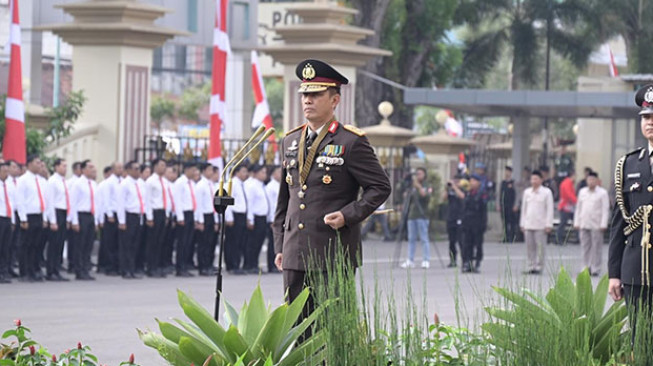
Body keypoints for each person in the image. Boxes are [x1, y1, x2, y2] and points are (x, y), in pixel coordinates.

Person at [273, 59, 391, 306]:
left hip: (332, 251)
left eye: (315, 94)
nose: (307, 100)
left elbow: (380, 186)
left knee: (332, 330)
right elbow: (285, 199)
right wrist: (280, 245)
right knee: (296, 331)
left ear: (335, 100)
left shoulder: (351, 142)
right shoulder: (290, 141)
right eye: (305, 94)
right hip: (295, 252)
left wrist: (348, 215)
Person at [609, 84, 653, 337]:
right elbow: (619, 224)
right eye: (646, 117)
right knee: (640, 338)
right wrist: (614, 274)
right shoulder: (627, 164)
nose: (650, 122)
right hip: (635, 270)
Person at [16, 155, 48, 282]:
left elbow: (45, 201)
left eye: (40, 162)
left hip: (39, 215)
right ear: (29, 164)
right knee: (25, 245)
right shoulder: (23, 180)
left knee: (36, 244)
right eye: (37, 162)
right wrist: (23, 219)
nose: (39, 165)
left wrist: (45, 217)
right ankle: (24, 272)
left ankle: (34, 269)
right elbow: (20, 200)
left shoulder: (41, 181)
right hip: (28, 216)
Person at [69, 160, 100, 280]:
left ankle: (86, 269)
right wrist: (75, 221)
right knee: (80, 245)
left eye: (93, 167)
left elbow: (96, 203)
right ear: (83, 170)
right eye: (90, 167)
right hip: (81, 215)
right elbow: (73, 203)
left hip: (90, 215)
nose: (92, 169)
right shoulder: (78, 184)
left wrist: (96, 220)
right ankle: (79, 270)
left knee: (88, 245)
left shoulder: (93, 184)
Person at [574, 171, 609, 276]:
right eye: (589, 179)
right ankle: (585, 266)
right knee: (585, 247)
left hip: (596, 224)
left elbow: (605, 209)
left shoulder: (602, 193)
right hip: (584, 222)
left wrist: (604, 223)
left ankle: (595, 268)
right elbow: (578, 208)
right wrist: (577, 222)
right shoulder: (582, 192)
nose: (591, 182)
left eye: (593, 180)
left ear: (597, 181)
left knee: (596, 247)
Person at [520, 170, 554, 275]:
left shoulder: (546, 192)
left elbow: (549, 209)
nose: (534, 181)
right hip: (529, 223)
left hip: (541, 225)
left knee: (540, 247)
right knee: (529, 247)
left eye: (536, 179)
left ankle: (539, 266)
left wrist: (549, 224)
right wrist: (522, 223)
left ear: (541, 180)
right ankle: (531, 265)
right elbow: (524, 209)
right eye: (532, 179)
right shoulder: (527, 192)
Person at [117, 161, 146, 279]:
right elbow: (120, 203)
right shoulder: (124, 184)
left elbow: (144, 200)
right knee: (126, 245)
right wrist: (122, 221)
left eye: (139, 169)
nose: (138, 171)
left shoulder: (141, 183)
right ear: (128, 170)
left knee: (135, 244)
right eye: (135, 169)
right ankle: (125, 270)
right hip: (129, 215)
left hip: (138, 215)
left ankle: (132, 268)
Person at [400, 167, 433, 269]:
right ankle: (410, 260)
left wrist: (418, 187)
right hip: (412, 215)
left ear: (424, 175)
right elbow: (405, 196)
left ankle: (426, 260)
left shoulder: (427, 185)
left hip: (422, 215)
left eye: (420, 174)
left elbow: (426, 196)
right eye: (417, 174)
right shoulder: (412, 185)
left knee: (424, 238)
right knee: (411, 239)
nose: (418, 176)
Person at [45, 158, 70, 282]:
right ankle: (50, 271)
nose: (65, 168)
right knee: (54, 244)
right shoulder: (52, 181)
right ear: (56, 167)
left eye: (66, 166)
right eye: (63, 166)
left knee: (60, 243)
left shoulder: (64, 181)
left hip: (64, 212)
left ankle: (57, 269)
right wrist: (53, 221)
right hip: (56, 212)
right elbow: (50, 202)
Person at [173, 162, 199, 277]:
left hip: (190, 213)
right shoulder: (180, 183)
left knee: (188, 242)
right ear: (187, 170)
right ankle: (180, 267)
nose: (195, 173)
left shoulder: (192, 183)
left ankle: (185, 266)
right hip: (183, 214)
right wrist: (180, 217)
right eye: (193, 170)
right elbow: (177, 200)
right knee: (182, 242)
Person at [144, 158, 169, 278]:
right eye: (162, 165)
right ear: (155, 166)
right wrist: (149, 217)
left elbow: (167, 199)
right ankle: (151, 267)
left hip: (162, 212)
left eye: (165, 165)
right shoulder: (150, 181)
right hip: (154, 212)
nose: (164, 168)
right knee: (152, 242)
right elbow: (147, 200)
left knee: (161, 241)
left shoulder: (164, 181)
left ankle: (158, 266)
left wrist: (167, 214)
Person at [243, 164, 269, 274]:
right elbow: (250, 203)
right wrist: (250, 219)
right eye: (262, 172)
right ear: (255, 173)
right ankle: (249, 264)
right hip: (255, 217)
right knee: (252, 243)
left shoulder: (260, 185)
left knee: (258, 242)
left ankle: (254, 263)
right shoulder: (251, 185)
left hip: (263, 217)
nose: (264, 175)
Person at [194, 163, 218, 276]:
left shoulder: (211, 185)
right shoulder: (200, 185)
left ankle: (209, 264)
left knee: (210, 242)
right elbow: (198, 204)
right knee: (203, 243)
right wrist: (199, 221)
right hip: (203, 216)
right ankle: (202, 266)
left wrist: (216, 220)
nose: (211, 172)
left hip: (211, 215)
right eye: (209, 170)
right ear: (203, 171)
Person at [225, 164, 249, 274]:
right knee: (233, 242)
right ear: (236, 172)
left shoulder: (241, 184)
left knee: (239, 242)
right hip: (234, 215)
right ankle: (232, 265)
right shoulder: (232, 184)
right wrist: (229, 217)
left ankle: (236, 264)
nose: (246, 174)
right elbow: (227, 201)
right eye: (243, 171)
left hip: (241, 215)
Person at [461, 175, 487, 273]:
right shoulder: (468, 193)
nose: (472, 183)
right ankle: (468, 262)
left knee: (478, 244)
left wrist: (484, 224)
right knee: (467, 244)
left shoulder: (482, 194)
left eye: (474, 181)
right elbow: (464, 208)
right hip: (467, 222)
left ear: (479, 183)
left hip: (478, 222)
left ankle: (477, 262)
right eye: (470, 181)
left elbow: (483, 211)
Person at [442, 174, 465, 267]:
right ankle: (452, 260)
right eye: (454, 181)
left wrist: (455, 187)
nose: (455, 183)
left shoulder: (463, 189)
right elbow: (443, 198)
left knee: (461, 241)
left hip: (460, 217)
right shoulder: (450, 190)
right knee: (452, 241)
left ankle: (465, 260)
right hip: (451, 217)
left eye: (457, 181)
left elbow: (462, 196)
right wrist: (447, 188)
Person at [161, 164, 178, 275]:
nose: (173, 174)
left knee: (170, 242)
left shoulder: (172, 185)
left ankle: (167, 262)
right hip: (164, 214)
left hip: (172, 215)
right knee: (163, 242)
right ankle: (162, 263)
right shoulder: (163, 184)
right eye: (170, 172)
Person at [0, 162, 15, 284]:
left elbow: (12, 203)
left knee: (6, 247)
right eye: (4, 171)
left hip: (7, 218)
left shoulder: (9, 185)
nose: (6, 173)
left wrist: (13, 221)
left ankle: (4, 271)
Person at [265, 165, 281, 273]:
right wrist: (272, 219)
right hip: (273, 218)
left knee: (276, 242)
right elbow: (270, 205)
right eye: (279, 172)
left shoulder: (278, 185)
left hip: (278, 217)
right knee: (272, 243)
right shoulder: (270, 187)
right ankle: (271, 265)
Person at [556, 170, 577, 245]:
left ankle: (561, 239)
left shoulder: (566, 182)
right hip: (566, 206)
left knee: (572, 221)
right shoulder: (568, 183)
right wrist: (576, 201)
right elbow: (569, 194)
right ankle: (559, 239)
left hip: (567, 206)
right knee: (564, 223)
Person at [498, 166, 517, 243]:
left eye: (508, 172)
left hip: (511, 205)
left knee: (511, 222)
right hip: (504, 205)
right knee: (504, 222)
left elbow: (517, 194)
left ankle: (511, 237)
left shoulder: (513, 183)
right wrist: (498, 204)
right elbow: (498, 194)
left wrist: (516, 205)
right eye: (506, 171)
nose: (507, 173)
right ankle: (505, 237)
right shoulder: (502, 183)